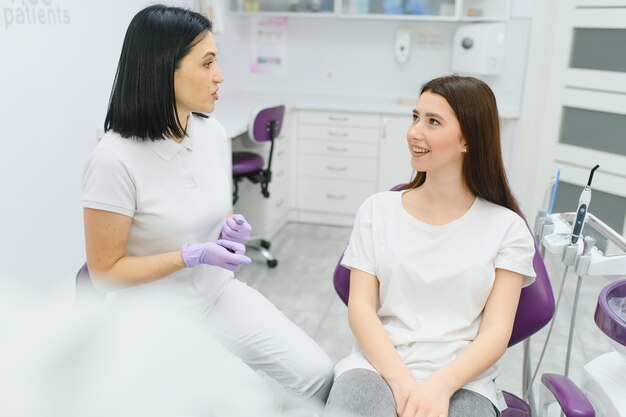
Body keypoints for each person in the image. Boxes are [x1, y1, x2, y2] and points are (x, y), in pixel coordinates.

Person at [82, 4, 333, 403]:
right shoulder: (114, 159)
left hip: (216, 294)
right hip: (154, 317)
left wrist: (231, 227)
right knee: (250, 401)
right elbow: (105, 274)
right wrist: (189, 255)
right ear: (165, 70)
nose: (219, 76)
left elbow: (215, 206)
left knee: (319, 375)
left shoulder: (211, 133)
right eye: (207, 63)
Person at [325, 75, 537, 417]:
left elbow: (497, 332)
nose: (414, 132)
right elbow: (360, 308)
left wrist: (439, 387)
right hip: (377, 366)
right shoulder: (378, 210)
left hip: (464, 381)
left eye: (433, 122)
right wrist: (402, 383)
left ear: (468, 139)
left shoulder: (507, 228)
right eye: (415, 117)